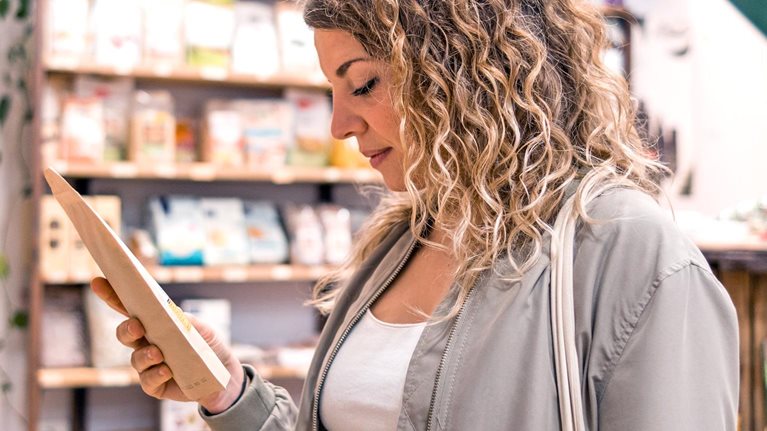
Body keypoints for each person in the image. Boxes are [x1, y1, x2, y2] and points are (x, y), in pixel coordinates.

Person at [92, 0, 739, 429]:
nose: (340, 124)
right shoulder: (402, 240)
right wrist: (229, 393)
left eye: (363, 83)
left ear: (459, 72)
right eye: (332, 92)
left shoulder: (625, 250)